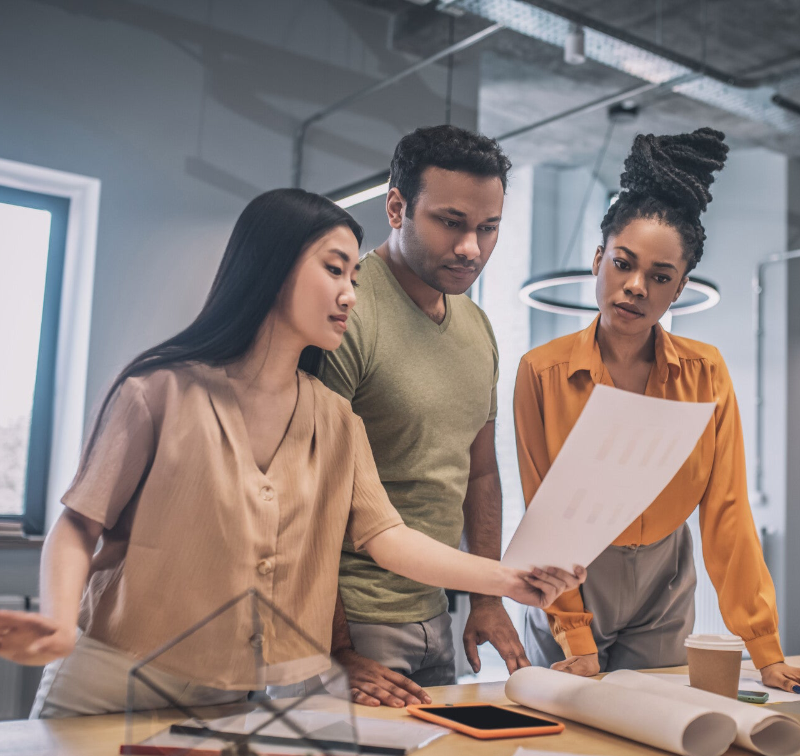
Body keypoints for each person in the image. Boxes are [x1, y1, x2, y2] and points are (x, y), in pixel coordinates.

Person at [0, 189, 585, 718]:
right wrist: (55, 620)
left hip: (227, 698)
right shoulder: (158, 388)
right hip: (106, 681)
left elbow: (390, 540)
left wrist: (508, 579)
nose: (349, 294)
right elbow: (78, 524)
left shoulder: (334, 419)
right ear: (272, 267)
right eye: (334, 271)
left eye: (354, 277)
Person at [513, 127, 800, 693]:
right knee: (562, 741)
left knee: (655, 736)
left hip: (666, 581)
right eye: (622, 263)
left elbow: (727, 513)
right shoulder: (541, 372)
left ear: (679, 289)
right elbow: (541, 512)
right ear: (598, 259)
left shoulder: (705, 372)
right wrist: (574, 634)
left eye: (660, 277)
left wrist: (764, 648)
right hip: (569, 579)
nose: (635, 286)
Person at [321, 125, 528, 709]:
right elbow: (305, 497)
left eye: (488, 228)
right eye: (451, 222)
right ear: (396, 206)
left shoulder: (477, 328)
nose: (471, 247)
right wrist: (336, 649)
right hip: (352, 624)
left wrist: (485, 598)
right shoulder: (345, 311)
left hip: (436, 616)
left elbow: (480, 473)